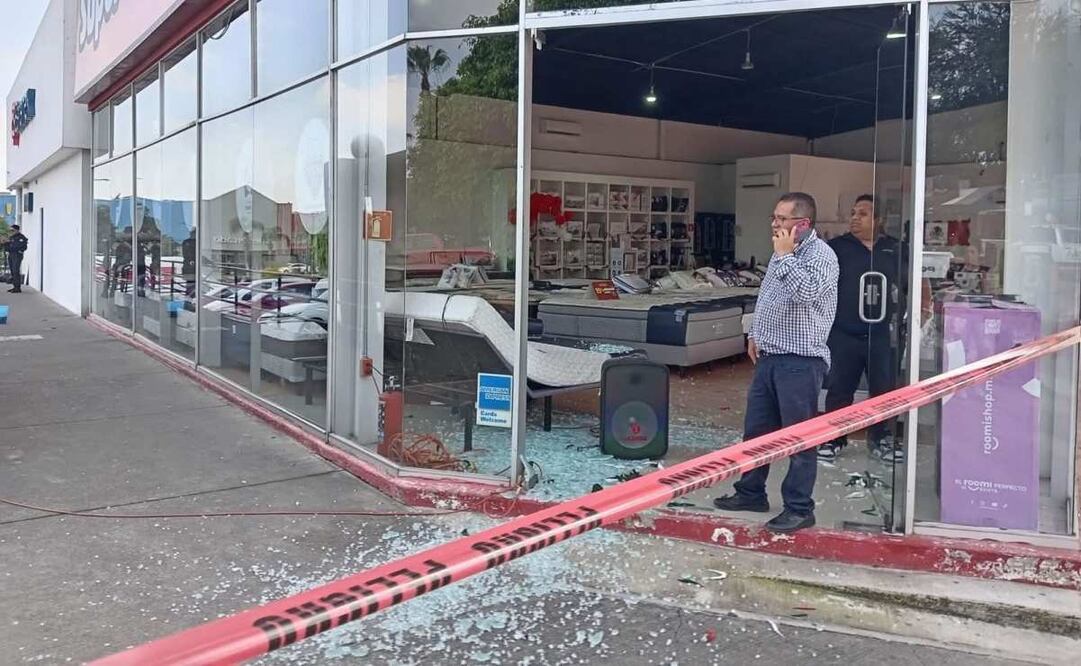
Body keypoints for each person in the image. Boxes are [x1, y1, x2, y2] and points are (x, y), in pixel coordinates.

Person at [714, 193, 839, 533]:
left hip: (800, 361)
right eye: (774, 217)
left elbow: (807, 294)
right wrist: (755, 333)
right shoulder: (781, 254)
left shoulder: (822, 256)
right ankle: (750, 491)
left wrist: (785, 258)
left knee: (799, 440)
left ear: (803, 224)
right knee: (756, 432)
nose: (774, 224)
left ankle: (799, 507)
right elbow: (768, 296)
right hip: (771, 356)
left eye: (782, 219)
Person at [818, 195, 905, 463]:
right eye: (853, 213)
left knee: (884, 388)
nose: (855, 218)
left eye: (863, 214)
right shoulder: (835, 248)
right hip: (844, 332)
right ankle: (834, 438)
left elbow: (913, 286)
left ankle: (881, 439)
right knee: (840, 388)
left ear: (878, 220)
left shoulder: (896, 249)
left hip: (882, 335)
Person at [4, 224, 29, 293]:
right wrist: (5, 243)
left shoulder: (21, 238)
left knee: (15, 270)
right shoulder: (11, 237)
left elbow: (22, 247)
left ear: (17, 230)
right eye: (10, 231)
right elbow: (7, 248)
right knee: (12, 271)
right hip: (11, 255)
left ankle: (18, 288)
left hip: (17, 255)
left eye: (13, 230)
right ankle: (14, 286)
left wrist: (11, 246)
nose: (11, 232)